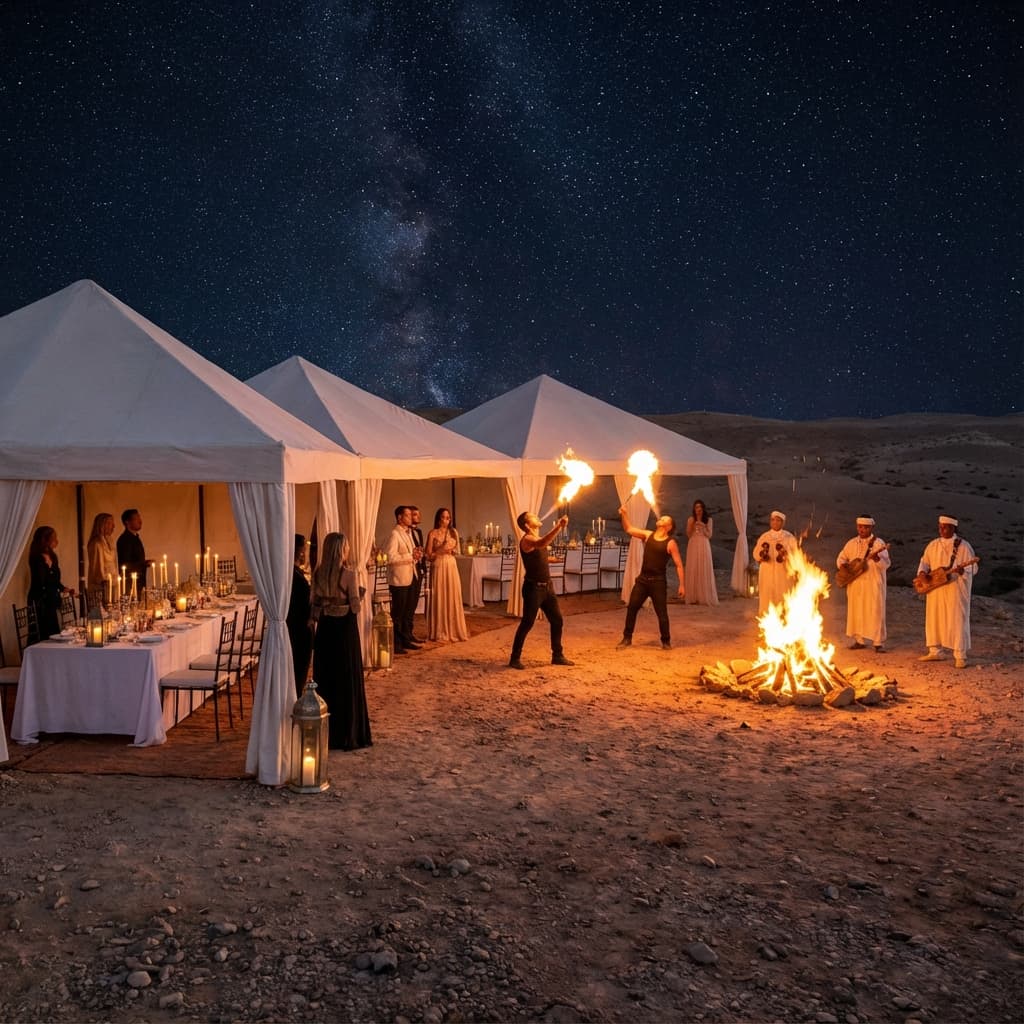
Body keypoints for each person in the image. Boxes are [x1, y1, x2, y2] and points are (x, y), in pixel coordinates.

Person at [311, 531, 372, 750]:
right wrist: (360, 595)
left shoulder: (318, 573)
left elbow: (315, 605)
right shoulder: (349, 574)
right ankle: (348, 733)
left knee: (326, 678)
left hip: (326, 630)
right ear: (341, 550)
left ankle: (327, 732)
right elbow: (355, 607)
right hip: (345, 631)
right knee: (347, 678)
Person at [508, 511, 574, 670]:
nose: (536, 516)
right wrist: (559, 526)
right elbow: (541, 543)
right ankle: (514, 658)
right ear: (526, 524)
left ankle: (557, 655)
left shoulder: (536, 539)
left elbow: (538, 553)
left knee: (557, 620)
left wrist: (551, 559)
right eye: (532, 516)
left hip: (547, 587)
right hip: (533, 589)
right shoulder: (528, 539)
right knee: (527, 623)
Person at [616, 507, 685, 649]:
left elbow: (679, 565)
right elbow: (629, 529)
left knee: (662, 613)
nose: (661, 519)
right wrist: (624, 514)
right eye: (661, 518)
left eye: (664, 519)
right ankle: (627, 638)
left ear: (669, 526)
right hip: (642, 580)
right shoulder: (648, 535)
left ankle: (666, 641)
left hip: (658, 582)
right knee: (632, 608)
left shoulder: (670, 543)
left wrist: (682, 585)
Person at [915, 515, 978, 669]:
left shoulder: (963, 546)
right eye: (940, 526)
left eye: (945, 527)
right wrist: (922, 573)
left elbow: (973, 568)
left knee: (957, 619)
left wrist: (963, 571)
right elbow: (924, 562)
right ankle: (935, 651)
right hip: (935, 589)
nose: (942, 529)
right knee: (934, 617)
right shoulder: (933, 545)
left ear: (953, 528)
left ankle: (960, 655)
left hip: (955, 590)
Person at [836, 516, 891, 652]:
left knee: (875, 611)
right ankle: (859, 640)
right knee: (857, 610)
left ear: (871, 528)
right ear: (857, 527)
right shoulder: (851, 543)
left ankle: (878, 642)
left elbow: (886, 564)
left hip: (873, 583)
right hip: (856, 583)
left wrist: (877, 558)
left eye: (865, 527)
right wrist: (843, 566)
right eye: (860, 527)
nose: (862, 529)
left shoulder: (878, 544)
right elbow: (841, 558)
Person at [426, 508, 468, 643]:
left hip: (451, 564)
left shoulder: (453, 532)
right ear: (438, 519)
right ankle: (440, 631)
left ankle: (455, 629)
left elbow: (457, 551)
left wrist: (452, 550)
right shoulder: (432, 533)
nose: (446, 520)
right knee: (440, 595)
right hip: (438, 564)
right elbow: (428, 555)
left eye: (448, 517)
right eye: (443, 517)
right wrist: (440, 549)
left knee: (452, 594)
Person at [384, 506, 421, 653]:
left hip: (409, 576)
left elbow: (411, 554)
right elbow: (390, 557)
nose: (411, 517)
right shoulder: (394, 534)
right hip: (398, 579)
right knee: (398, 613)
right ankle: (396, 643)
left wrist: (416, 555)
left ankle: (405, 639)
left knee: (406, 611)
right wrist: (410, 556)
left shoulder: (407, 533)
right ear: (399, 517)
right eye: (407, 515)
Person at [27, 526, 74, 641]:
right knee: (42, 632)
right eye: (53, 538)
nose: (56, 541)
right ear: (45, 540)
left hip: (50, 600)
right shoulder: (37, 558)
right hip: (40, 600)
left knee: (53, 630)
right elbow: (41, 581)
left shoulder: (53, 556)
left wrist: (63, 588)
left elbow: (55, 580)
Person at [753, 510, 798, 615]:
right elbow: (755, 553)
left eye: (778, 520)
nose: (775, 523)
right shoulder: (765, 537)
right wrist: (761, 556)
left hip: (783, 573)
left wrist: (786, 555)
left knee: (783, 595)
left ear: (782, 523)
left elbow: (796, 555)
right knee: (767, 596)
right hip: (767, 572)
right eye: (773, 520)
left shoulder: (789, 537)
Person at [287, 533, 313, 695]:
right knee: (299, 668)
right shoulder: (294, 575)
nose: (305, 553)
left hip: (300, 625)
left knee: (300, 669)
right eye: (303, 549)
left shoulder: (294, 572)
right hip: (299, 627)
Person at [684, 499, 718, 606]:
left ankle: (704, 596)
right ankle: (693, 596)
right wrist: (691, 525)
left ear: (703, 508)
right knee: (693, 566)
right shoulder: (691, 519)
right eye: (696, 507)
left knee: (703, 566)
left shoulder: (709, 520)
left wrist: (703, 526)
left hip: (704, 543)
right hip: (693, 543)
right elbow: (689, 534)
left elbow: (709, 535)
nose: (698, 509)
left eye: (700, 507)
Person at [116, 508, 150, 592]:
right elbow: (125, 564)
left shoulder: (135, 538)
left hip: (138, 582)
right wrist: (143, 563)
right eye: (136, 519)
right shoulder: (125, 540)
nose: (140, 521)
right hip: (130, 585)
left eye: (139, 518)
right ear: (127, 522)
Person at [86, 512, 118, 601]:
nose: (113, 526)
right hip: (101, 587)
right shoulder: (96, 543)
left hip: (112, 584)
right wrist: (104, 581)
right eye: (110, 523)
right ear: (102, 525)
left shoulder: (109, 541)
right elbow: (96, 567)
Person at [408, 506, 427, 643]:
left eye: (418, 514)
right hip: (409, 570)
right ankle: (405, 634)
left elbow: (421, 550)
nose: (417, 517)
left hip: (419, 570)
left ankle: (410, 632)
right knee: (408, 604)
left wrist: (424, 569)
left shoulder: (419, 532)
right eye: (414, 515)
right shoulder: (405, 532)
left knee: (413, 603)